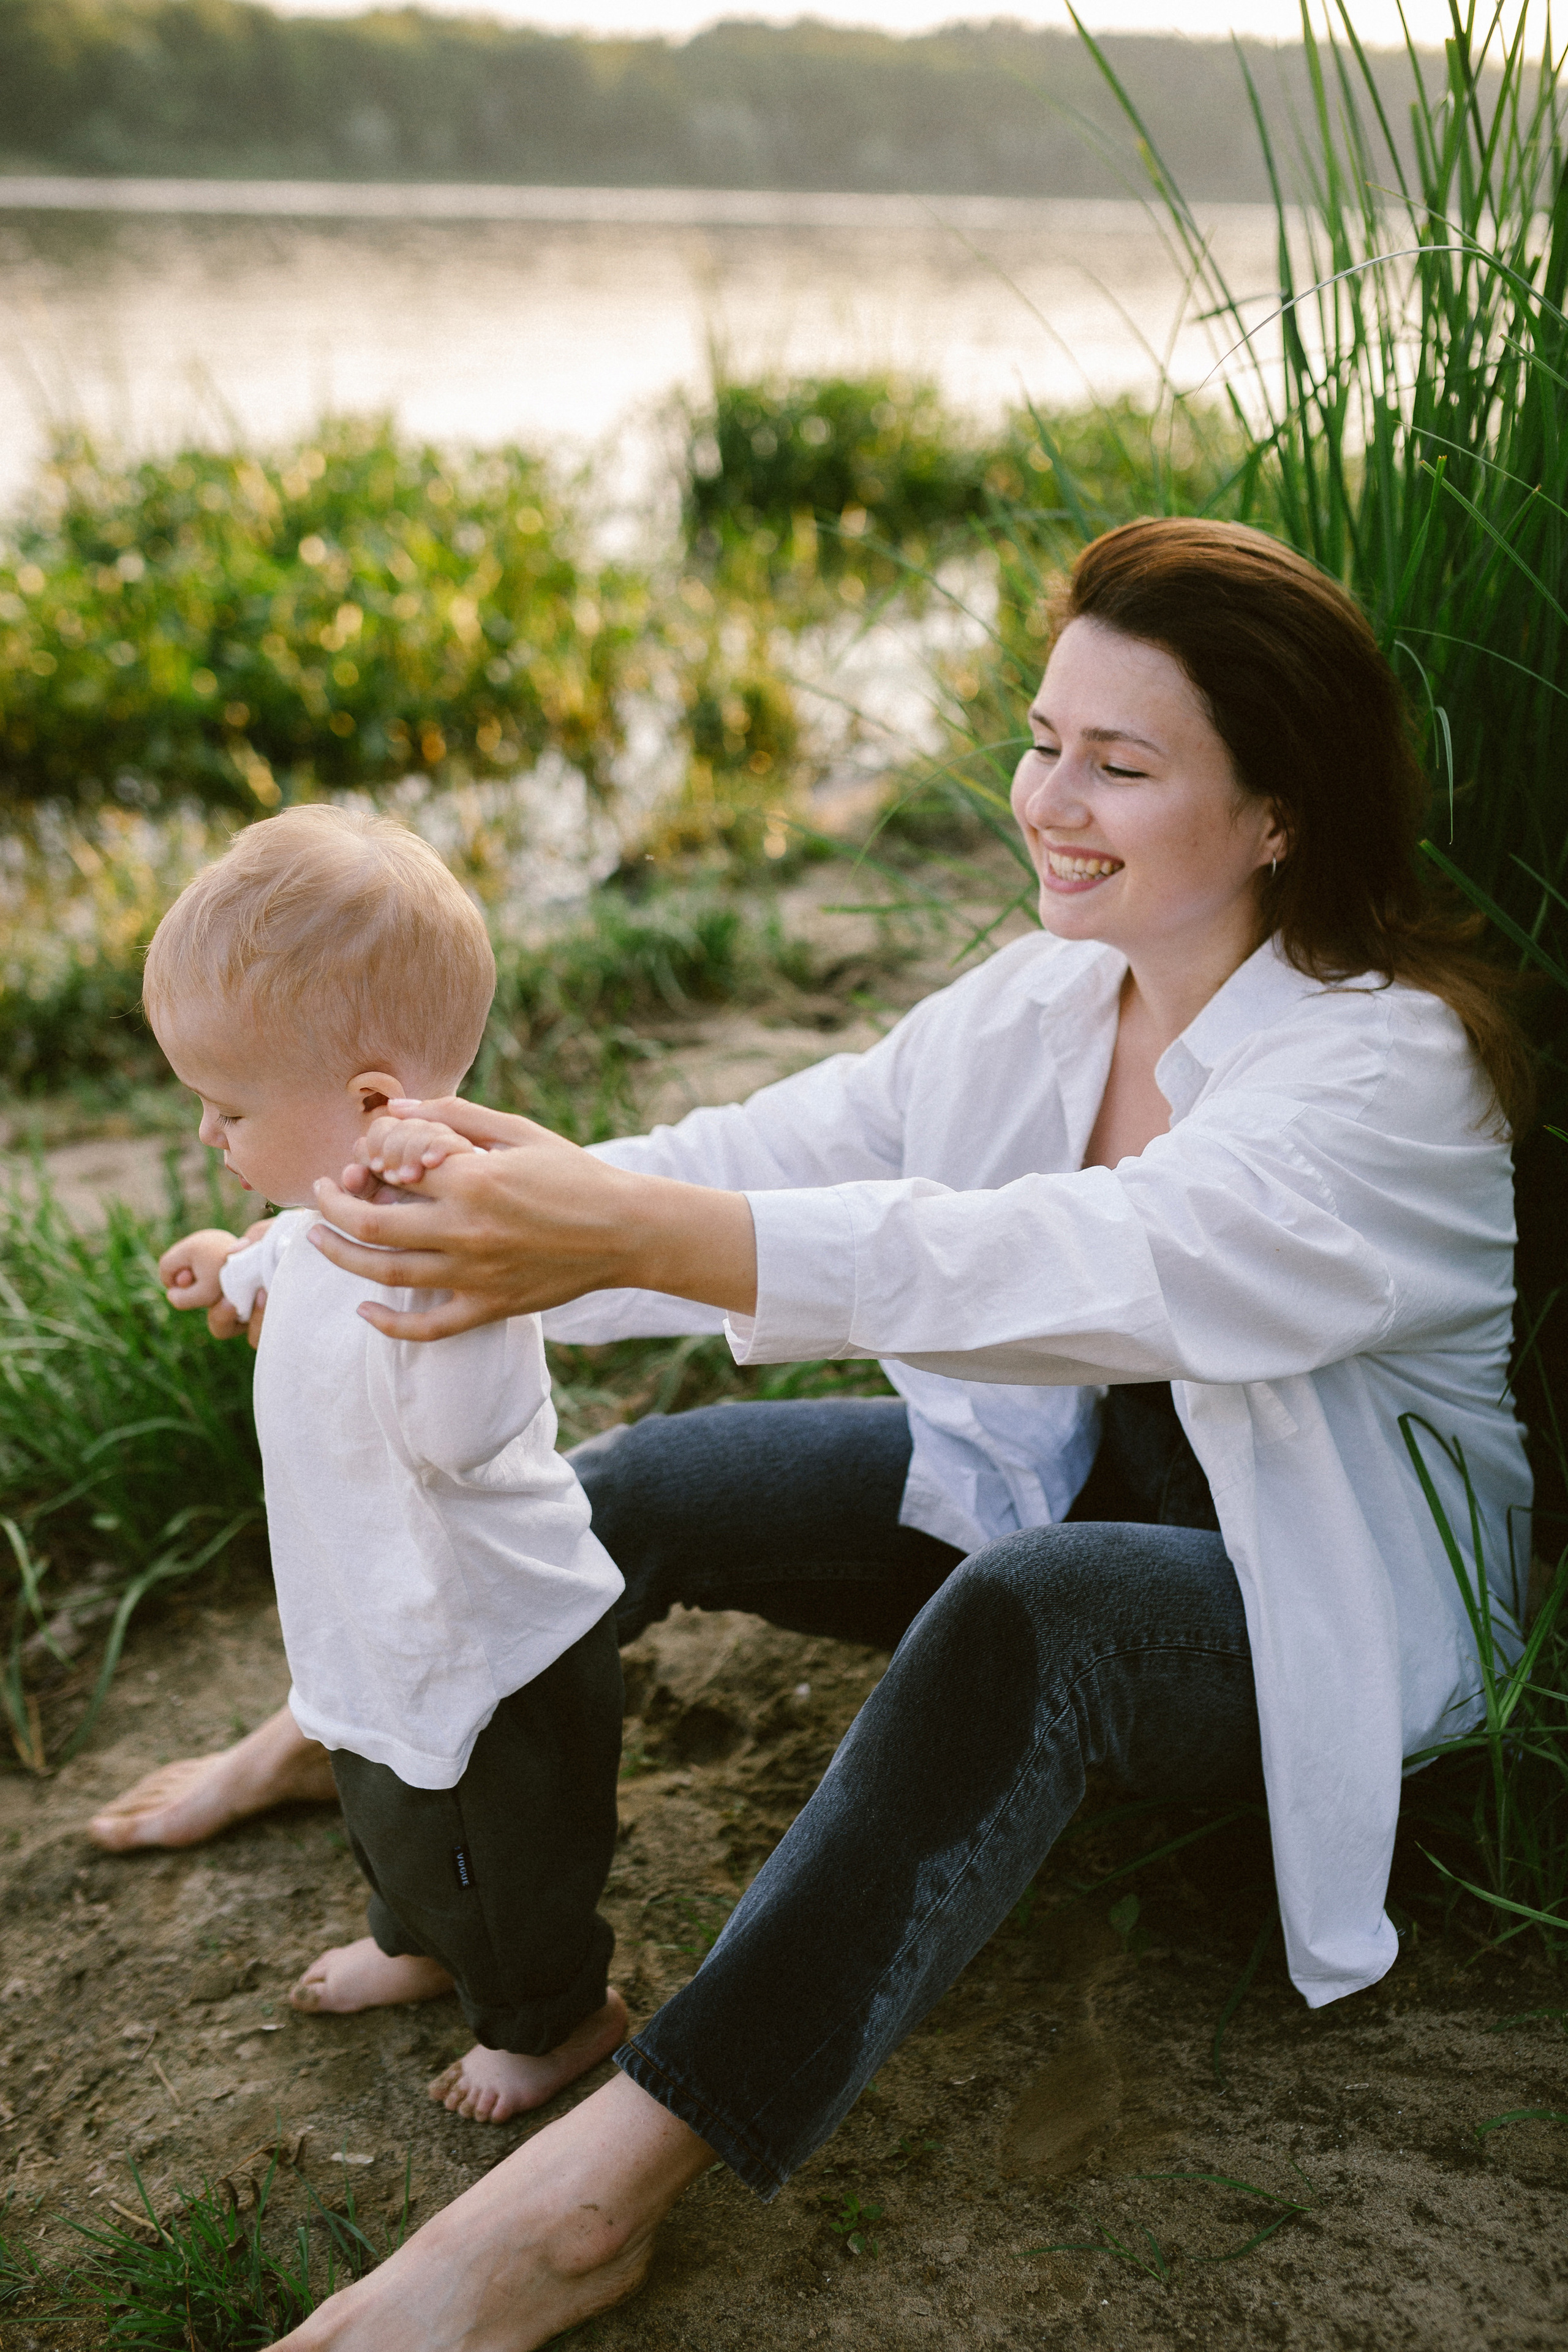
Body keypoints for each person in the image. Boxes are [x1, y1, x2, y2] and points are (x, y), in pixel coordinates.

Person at [103, 518, 1529, 2352]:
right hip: (1064, 1490)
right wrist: (438, 1209)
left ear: (1279, 812)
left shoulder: (1387, 1070)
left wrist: (614, 1232)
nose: (1050, 800)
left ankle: (593, 2194)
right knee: (652, 1484)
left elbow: (1075, 1262)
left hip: (1299, 1604)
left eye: (1121, 762)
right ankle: (355, 1711)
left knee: (1038, 1613)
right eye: (1041, 739)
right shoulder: (1047, 997)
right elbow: (759, 1164)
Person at [139, 805, 630, 2127]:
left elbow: (466, 1433)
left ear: (369, 1106)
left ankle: (554, 2021)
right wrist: (227, 1258)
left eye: (228, 1109)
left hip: (484, 1649)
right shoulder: (322, 1219)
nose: (209, 1134)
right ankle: (416, 1944)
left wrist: (444, 1278)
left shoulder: (463, 1250)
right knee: (388, 1803)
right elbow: (290, 1254)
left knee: (496, 1855)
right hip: (373, 1622)